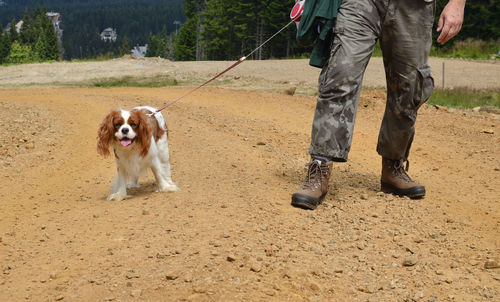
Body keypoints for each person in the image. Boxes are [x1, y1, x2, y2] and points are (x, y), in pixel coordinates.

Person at [291, 0, 466, 210]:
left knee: (410, 86)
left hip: (415, 6)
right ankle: (320, 166)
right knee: (341, 75)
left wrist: (457, 3)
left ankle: (393, 166)